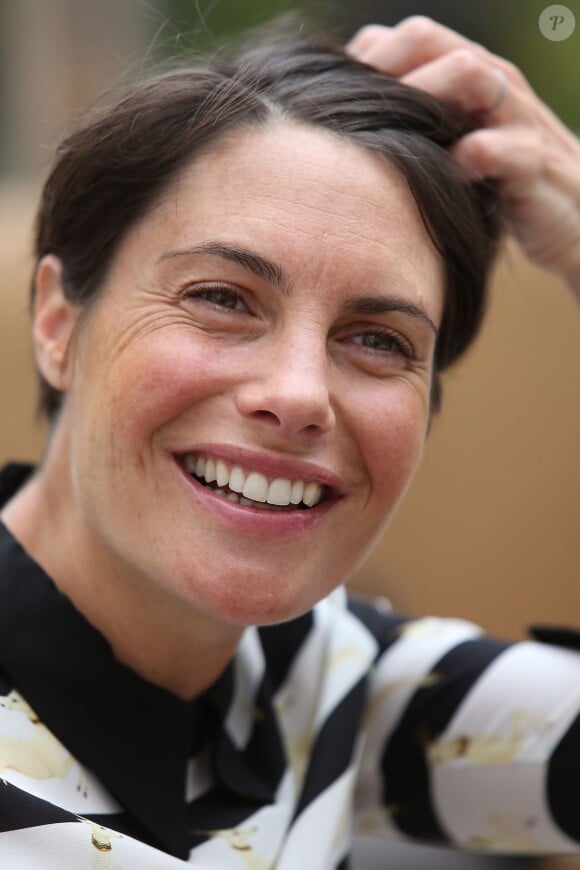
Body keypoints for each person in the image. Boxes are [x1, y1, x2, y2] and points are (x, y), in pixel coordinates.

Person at [0, 14, 578, 869]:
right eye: (222, 297)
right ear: (58, 321)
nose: (300, 394)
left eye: (378, 339)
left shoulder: (326, 686)